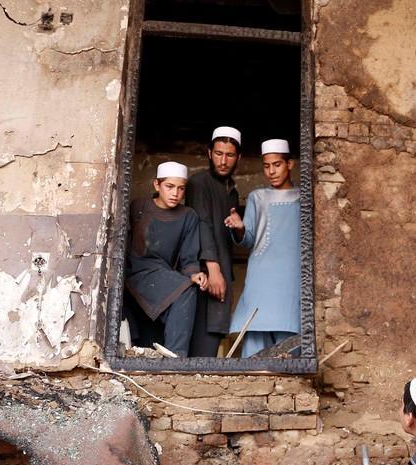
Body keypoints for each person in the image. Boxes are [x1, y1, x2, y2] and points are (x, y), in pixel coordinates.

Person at [226, 139, 301, 357]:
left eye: (277, 165)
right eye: (267, 166)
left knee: (290, 338)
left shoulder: (304, 198)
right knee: (255, 338)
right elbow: (248, 239)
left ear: (290, 164)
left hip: (291, 277)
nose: (271, 171)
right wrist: (240, 228)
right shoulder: (256, 197)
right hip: (261, 275)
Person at [124, 161, 207, 357]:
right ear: (156, 185)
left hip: (162, 274)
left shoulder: (188, 216)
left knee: (187, 287)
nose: (175, 193)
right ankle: (177, 355)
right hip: (135, 272)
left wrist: (194, 274)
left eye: (181, 188)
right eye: (169, 186)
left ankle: (172, 356)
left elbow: (189, 256)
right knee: (183, 291)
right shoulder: (138, 208)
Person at [185, 125, 243, 357]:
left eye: (229, 155)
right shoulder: (199, 182)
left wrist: (239, 230)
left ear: (238, 157)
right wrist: (213, 268)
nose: (223, 160)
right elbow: (202, 223)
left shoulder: (232, 191)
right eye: (218, 153)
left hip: (222, 269)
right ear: (209, 153)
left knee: (214, 335)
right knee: (199, 335)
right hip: (204, 272)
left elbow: (228, 233)